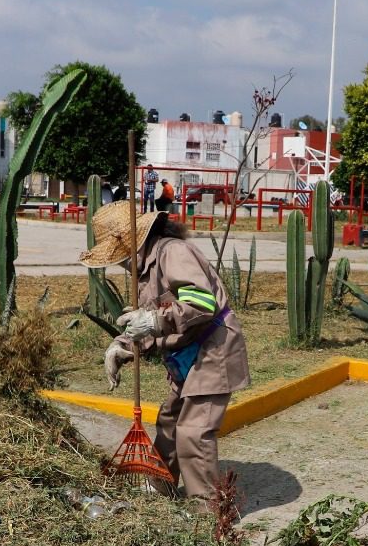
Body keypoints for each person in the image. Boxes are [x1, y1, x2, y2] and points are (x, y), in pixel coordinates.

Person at [84, 201, 250, 501]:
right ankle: (162, 486)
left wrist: (153, 320)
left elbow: (202, 303)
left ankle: (207, 510)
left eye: (120, 255)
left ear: (137, 242)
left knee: (193, 433)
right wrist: (122, 344)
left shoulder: (173, 253)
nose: (120, 264)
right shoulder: (145, 270)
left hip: (213, 350)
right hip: (186, 355)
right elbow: (149, 320)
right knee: (170, 423)